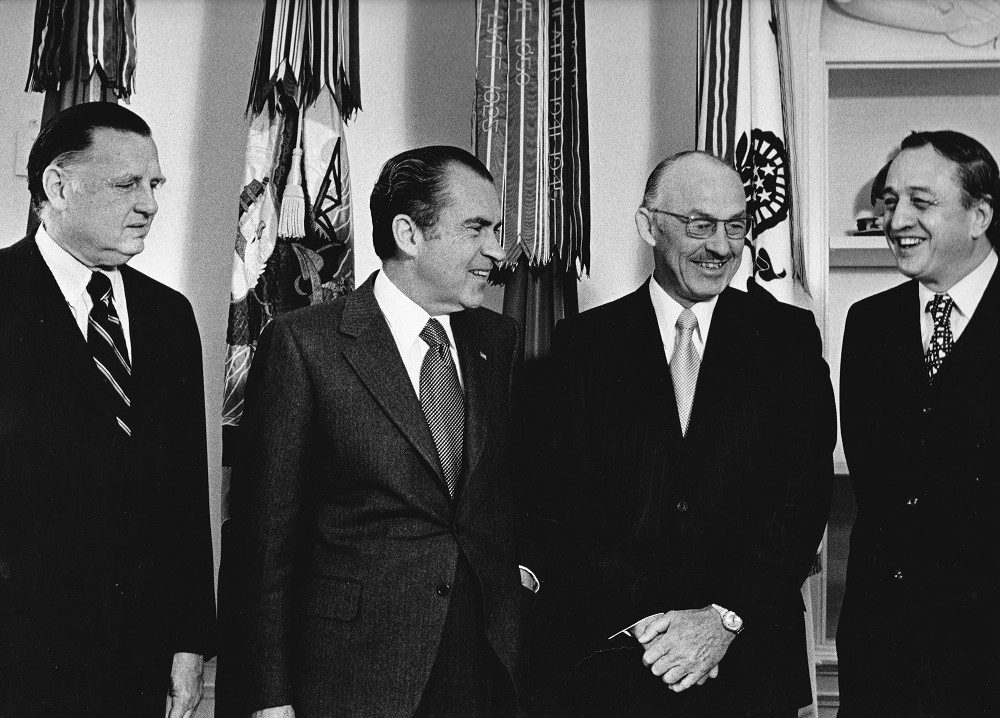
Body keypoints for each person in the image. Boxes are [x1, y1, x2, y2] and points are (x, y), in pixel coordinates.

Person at [234, 146, 536, 717]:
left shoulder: (497, 341)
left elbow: (504, 497)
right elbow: (263, 543)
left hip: (481, 674)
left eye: (497, 228)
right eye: (476, 228)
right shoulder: (306, 345)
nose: (497, 250)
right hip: (353, 678)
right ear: (409, 233)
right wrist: (268, 699)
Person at [531, 150, 835, 717]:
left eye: (736, 226)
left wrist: (723, 619)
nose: (721, 247)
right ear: (649, 225)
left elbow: (804, 500)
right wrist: (655, 630)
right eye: (700, 225)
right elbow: (559, 506)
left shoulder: (787, 339)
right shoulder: (583, 345)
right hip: (621, 660)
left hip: (750, 663)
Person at [0, 102, 216, 716]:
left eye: (155, 184)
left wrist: (189, 641)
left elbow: (183, 491)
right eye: (127, 184)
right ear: (57, 185)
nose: (149, 203)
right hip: (16, 655)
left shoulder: (169, 317)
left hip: (137, 659)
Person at [837, 130, 1000, 716]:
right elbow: (881, 492)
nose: (896, 218)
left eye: (921, 202)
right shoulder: (868, 324)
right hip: (884, 654)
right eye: (889, 201)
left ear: (979, 214)